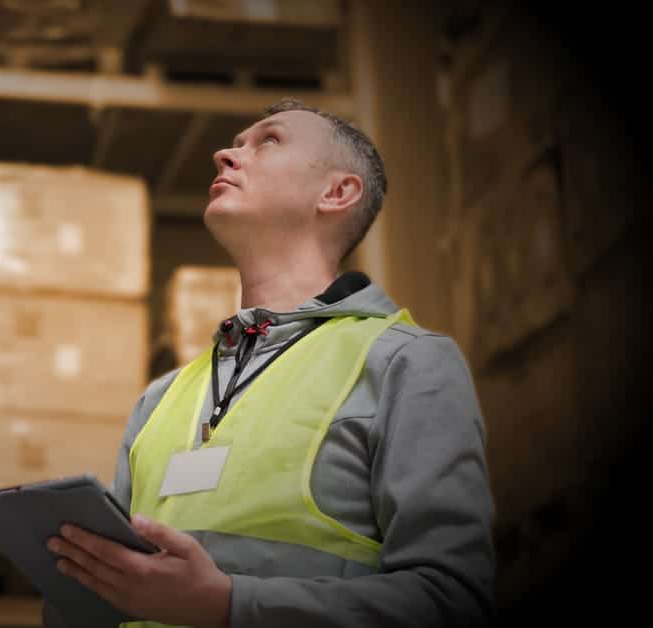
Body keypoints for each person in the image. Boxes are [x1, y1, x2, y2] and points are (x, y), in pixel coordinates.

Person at [42, 98, 496, 628]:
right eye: (235, 144)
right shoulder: (160, 399)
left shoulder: (406, 362)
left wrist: (227, 605)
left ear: (337, 192)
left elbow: (453, 602)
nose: (225, 155)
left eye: (268, 141)